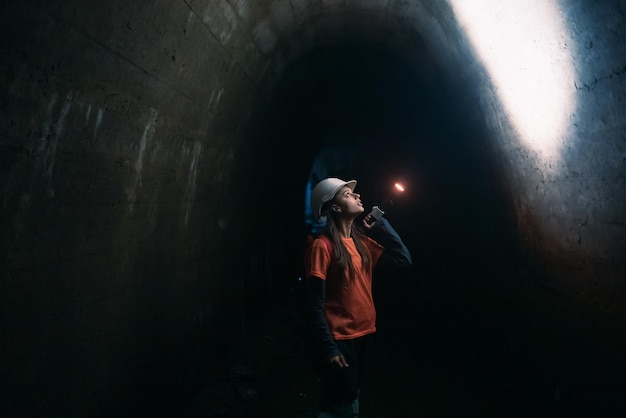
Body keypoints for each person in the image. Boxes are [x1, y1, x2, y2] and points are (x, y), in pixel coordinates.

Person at [304, 177, 412, 418]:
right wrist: (328, 348)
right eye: (347, 194)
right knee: (344, 405)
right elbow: (313, 305)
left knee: (346, 399)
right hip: (339, 339)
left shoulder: (361, 243)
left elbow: (403, 260)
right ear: (335, 208)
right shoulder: (322, 247)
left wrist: (380, 224)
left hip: (364, 335)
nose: (356, 196)